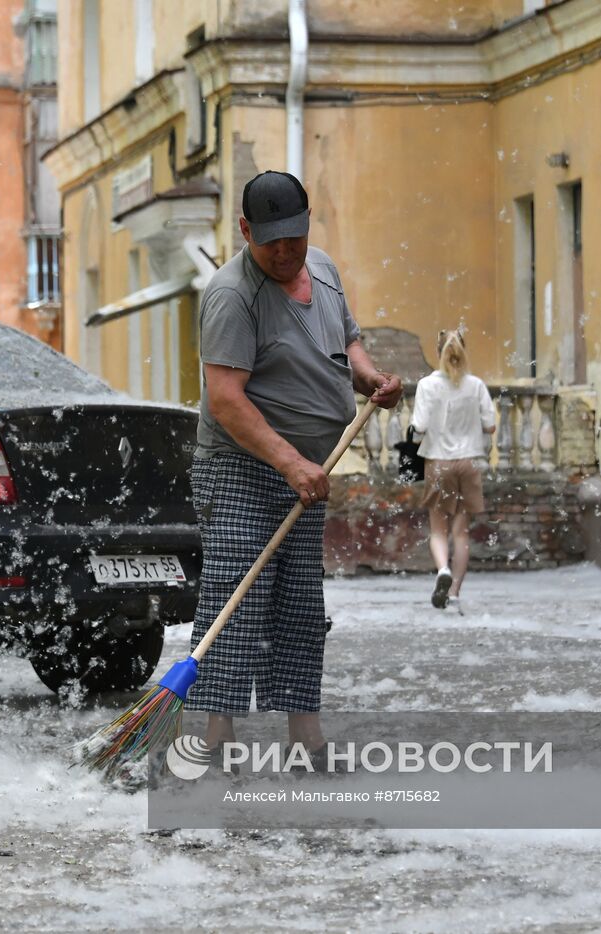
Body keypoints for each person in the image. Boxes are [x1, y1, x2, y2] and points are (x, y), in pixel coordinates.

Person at [191, 170, 403, 763]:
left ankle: (305, 737)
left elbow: (348, 342)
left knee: (300, 608)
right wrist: (288, 463)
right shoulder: (232, 296)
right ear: (244, 231)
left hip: (307, 468)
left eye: (295, 238)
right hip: (240, 467)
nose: (285, 252)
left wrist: (371, 379)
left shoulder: (326, 271)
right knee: (237, 601)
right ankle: (217, 741)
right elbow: (227, 399)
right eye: (271, 241)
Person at [410, 329, 496, 615]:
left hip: (438, 462)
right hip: (468, 462)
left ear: (438, 351)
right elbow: (491, 425)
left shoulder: (427, 385)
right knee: (461, 534)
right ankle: (455, 595)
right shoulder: (476, 385)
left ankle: (443, 570)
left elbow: (419, 427)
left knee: (438, 529)